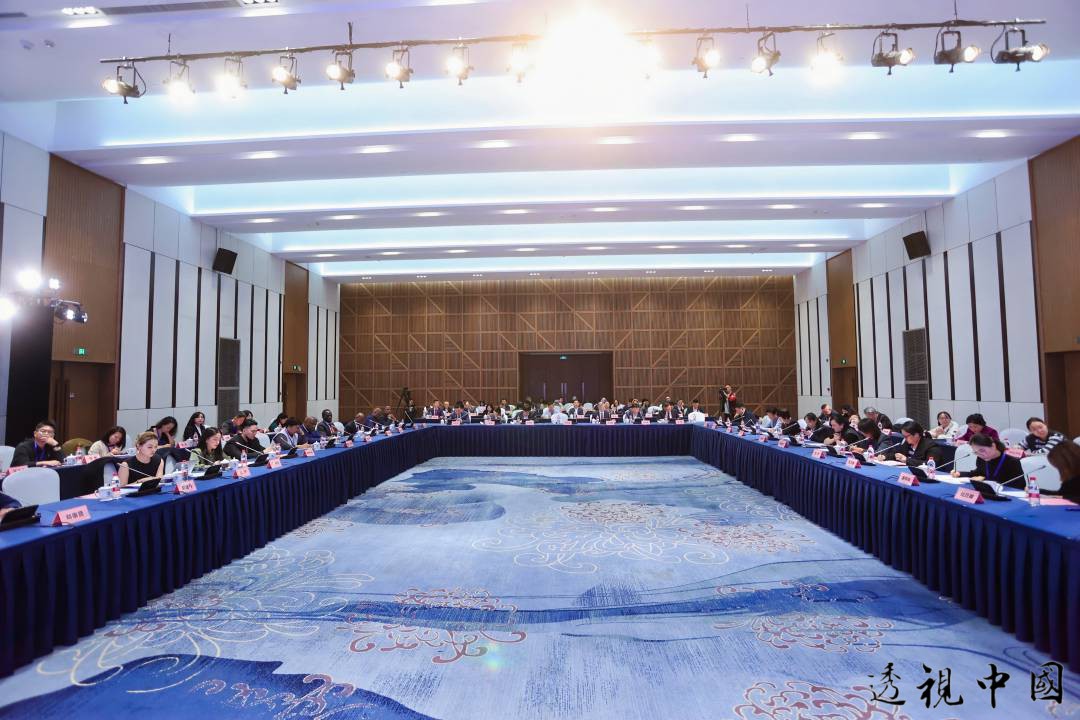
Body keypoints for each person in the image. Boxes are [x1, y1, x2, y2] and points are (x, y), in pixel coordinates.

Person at [949, 433, 1025, 488]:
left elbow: (1018, 486)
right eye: (975, 452)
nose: (980, 454)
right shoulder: (980, 458)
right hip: (987, 492)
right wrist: (960, 473)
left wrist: (985, 480)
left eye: (982, 450)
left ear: (993, 446)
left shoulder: (1012, 462)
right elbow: (979, 473)